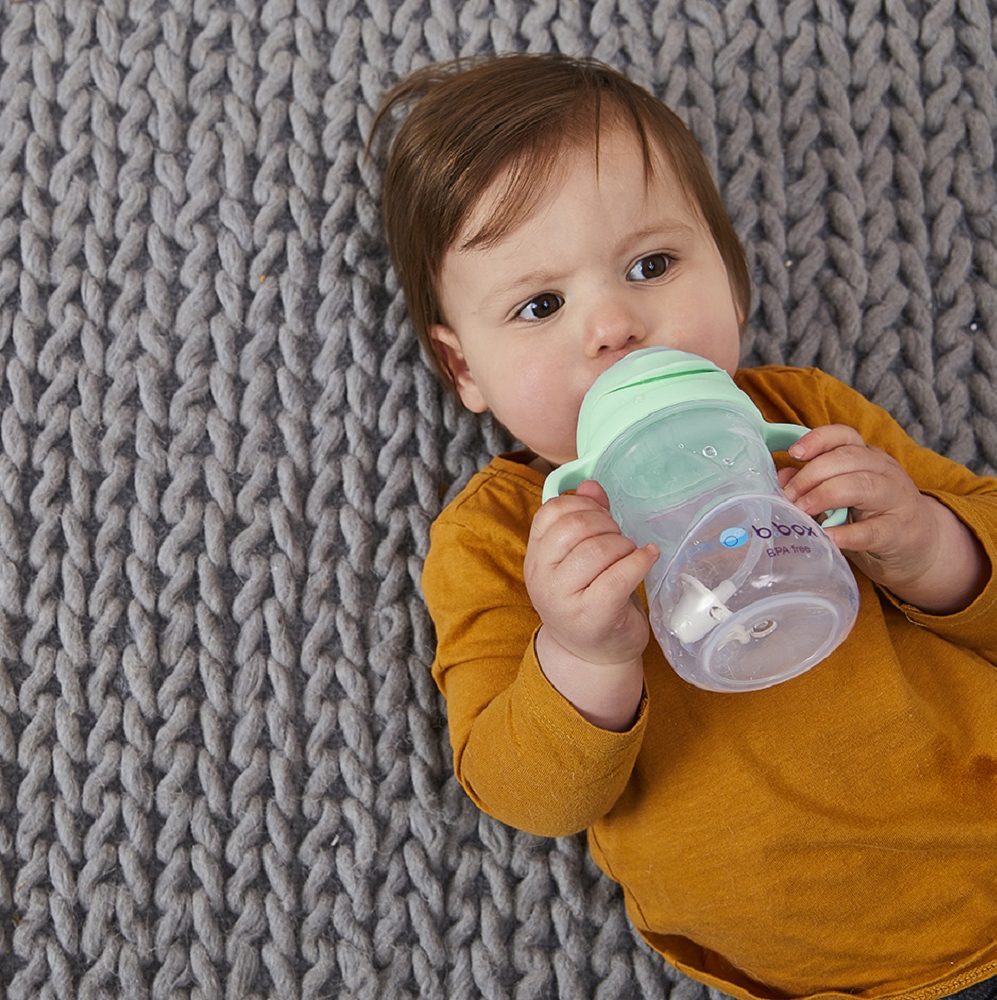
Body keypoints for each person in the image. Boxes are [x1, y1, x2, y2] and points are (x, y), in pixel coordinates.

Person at [370, 53, 997, 1000]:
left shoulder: (807, 418)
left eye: (652, 264)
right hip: (806, 966)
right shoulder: (502, 538)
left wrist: (925, 543)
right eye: (541, 305)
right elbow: (526, 796)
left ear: (732, 280)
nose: (615, 324)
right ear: (465, 372)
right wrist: (584, 656)